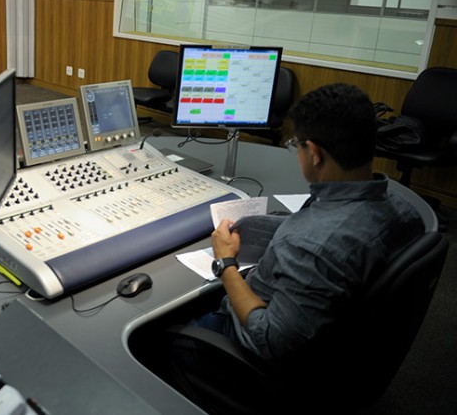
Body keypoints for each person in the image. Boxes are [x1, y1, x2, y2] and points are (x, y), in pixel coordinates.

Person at [168, 83, 425, 406]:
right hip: (339, 352)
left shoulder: (310, 245)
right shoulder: (403, 211)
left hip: (262, 353)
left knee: (156, 336)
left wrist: (226, 263)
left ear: (314, 153)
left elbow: (267, 340)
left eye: (297, 145)